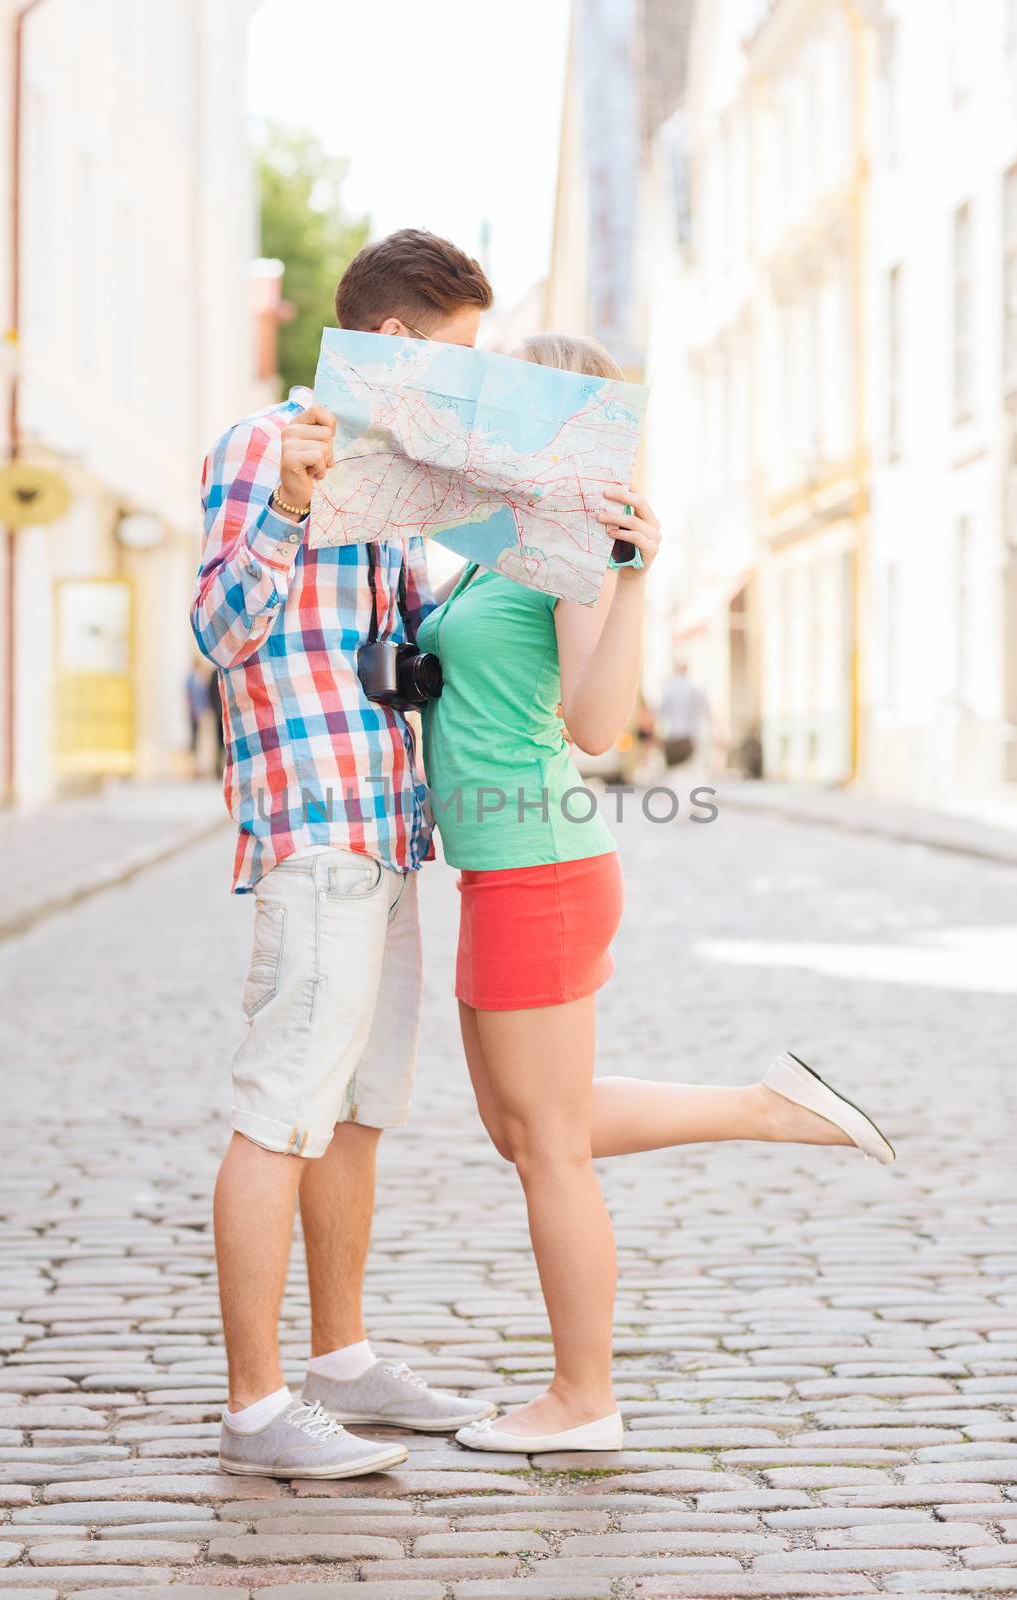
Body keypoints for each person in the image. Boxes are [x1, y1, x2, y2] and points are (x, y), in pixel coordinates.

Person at [416, 331, 897, 1457]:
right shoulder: (496, 540)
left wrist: (632, 579)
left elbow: (591, 723)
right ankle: (763, 1107)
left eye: (525, 399)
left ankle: (581, 1398)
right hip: (497, 863)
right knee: (521, 1126)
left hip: (541, 861)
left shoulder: (578, 536)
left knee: (547, 1143)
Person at [191, 230, 497, 1481]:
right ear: (400, 342)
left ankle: (341, 1359)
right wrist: (292, 505)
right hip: (315, 825)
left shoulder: (395, 472)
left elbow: (400, 642)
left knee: (360, 1113)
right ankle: (258, 1409)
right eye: (461, 355)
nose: (469, 378)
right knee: (283, 1112)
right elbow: (219, 628)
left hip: (388, 827)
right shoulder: (266, 444)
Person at [660, 659, 709, 771]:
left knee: (675, 770)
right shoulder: (694, 688)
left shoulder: (669, 688)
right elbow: (704, 710)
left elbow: (662, 710)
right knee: (689, 769)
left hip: (673, 733)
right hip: (689, 734)